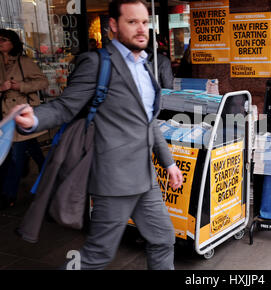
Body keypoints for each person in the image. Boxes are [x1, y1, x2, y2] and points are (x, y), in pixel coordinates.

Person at [13, 0, 183, 270]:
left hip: (145, 178)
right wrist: (34, 119)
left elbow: (147, 121)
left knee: (163, 240)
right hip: (113, 180)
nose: (141, 29)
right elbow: (65, 106)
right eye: (132, 22)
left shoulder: (147, 66)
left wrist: (169, 162)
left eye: (144, 22)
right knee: (97, 256)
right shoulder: (97, 63)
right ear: (113, 26)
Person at [0, 29, 48, 209]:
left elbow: (43, 82)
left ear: (13, 42)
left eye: (4, 39)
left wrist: (20, 86)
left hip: (22, 114)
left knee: (16, 156)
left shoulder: (24, 62)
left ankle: (9, 194)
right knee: (33, 149)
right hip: (5, 115)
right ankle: (50, 174)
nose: (0, 42)